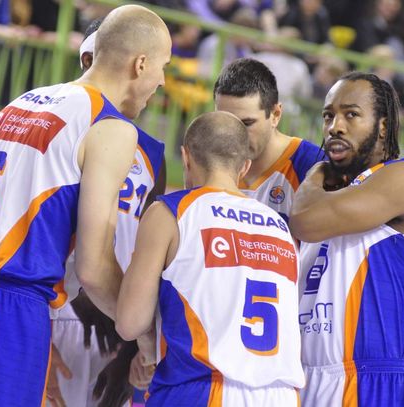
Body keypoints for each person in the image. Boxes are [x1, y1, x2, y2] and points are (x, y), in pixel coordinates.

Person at [0, 5, 171, 405]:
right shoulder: (110, 127)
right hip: (2, 302)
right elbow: (94, 268)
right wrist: (149, 335)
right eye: (163, 67)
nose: (163, 81)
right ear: (140, 64)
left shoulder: (23, 101)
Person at [116, 111, 304, 405]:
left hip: (203, 388)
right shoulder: (280, 227)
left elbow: (130, 322)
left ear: (186, 157)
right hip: (281, 395)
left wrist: (149, 348)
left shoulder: (172, 212)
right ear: (244, 166)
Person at [289, 72, 404, 405]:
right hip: (303, 377)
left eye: (351, 114)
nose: (335, 127)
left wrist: (316, 172)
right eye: (328, 116)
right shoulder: (332, 196)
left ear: (383, 126)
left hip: (368, 382)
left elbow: (303, 222)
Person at [47, 17, 167, 407]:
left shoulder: (151, 152)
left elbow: (150, 253)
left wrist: (133, 344)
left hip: (117, 319)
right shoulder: (63, 124)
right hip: (54, 308)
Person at [213, 57, 324, 222]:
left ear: (275, 115)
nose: (235, 135)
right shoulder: (209, 160)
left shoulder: (312, 164)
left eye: (247, 123)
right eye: (225, 122)